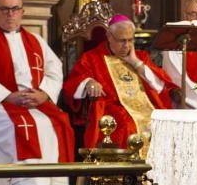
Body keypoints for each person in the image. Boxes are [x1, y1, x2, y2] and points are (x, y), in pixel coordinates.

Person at [0, 0, 74, 185]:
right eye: (4, 9)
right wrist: (9, 96)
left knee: (59, 123)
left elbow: (54, 70)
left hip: (36, 101)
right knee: (23, 126)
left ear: (22, 12)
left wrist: (44, 94)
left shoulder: (36, 40)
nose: (9, 14)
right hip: (4, 104)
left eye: (14, 9)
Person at [63, 15, 178, 153]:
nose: (127, 46)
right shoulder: (92, 58)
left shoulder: (141, 57)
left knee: (164, 124)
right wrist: (89, 82)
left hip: (146, 108)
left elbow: (159, 87)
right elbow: (73, 82)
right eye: (122, 41)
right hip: (113, 109)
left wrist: (135, 62)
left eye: (130, 40)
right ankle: (126, 172)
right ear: (109, 36)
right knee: (127, 125)